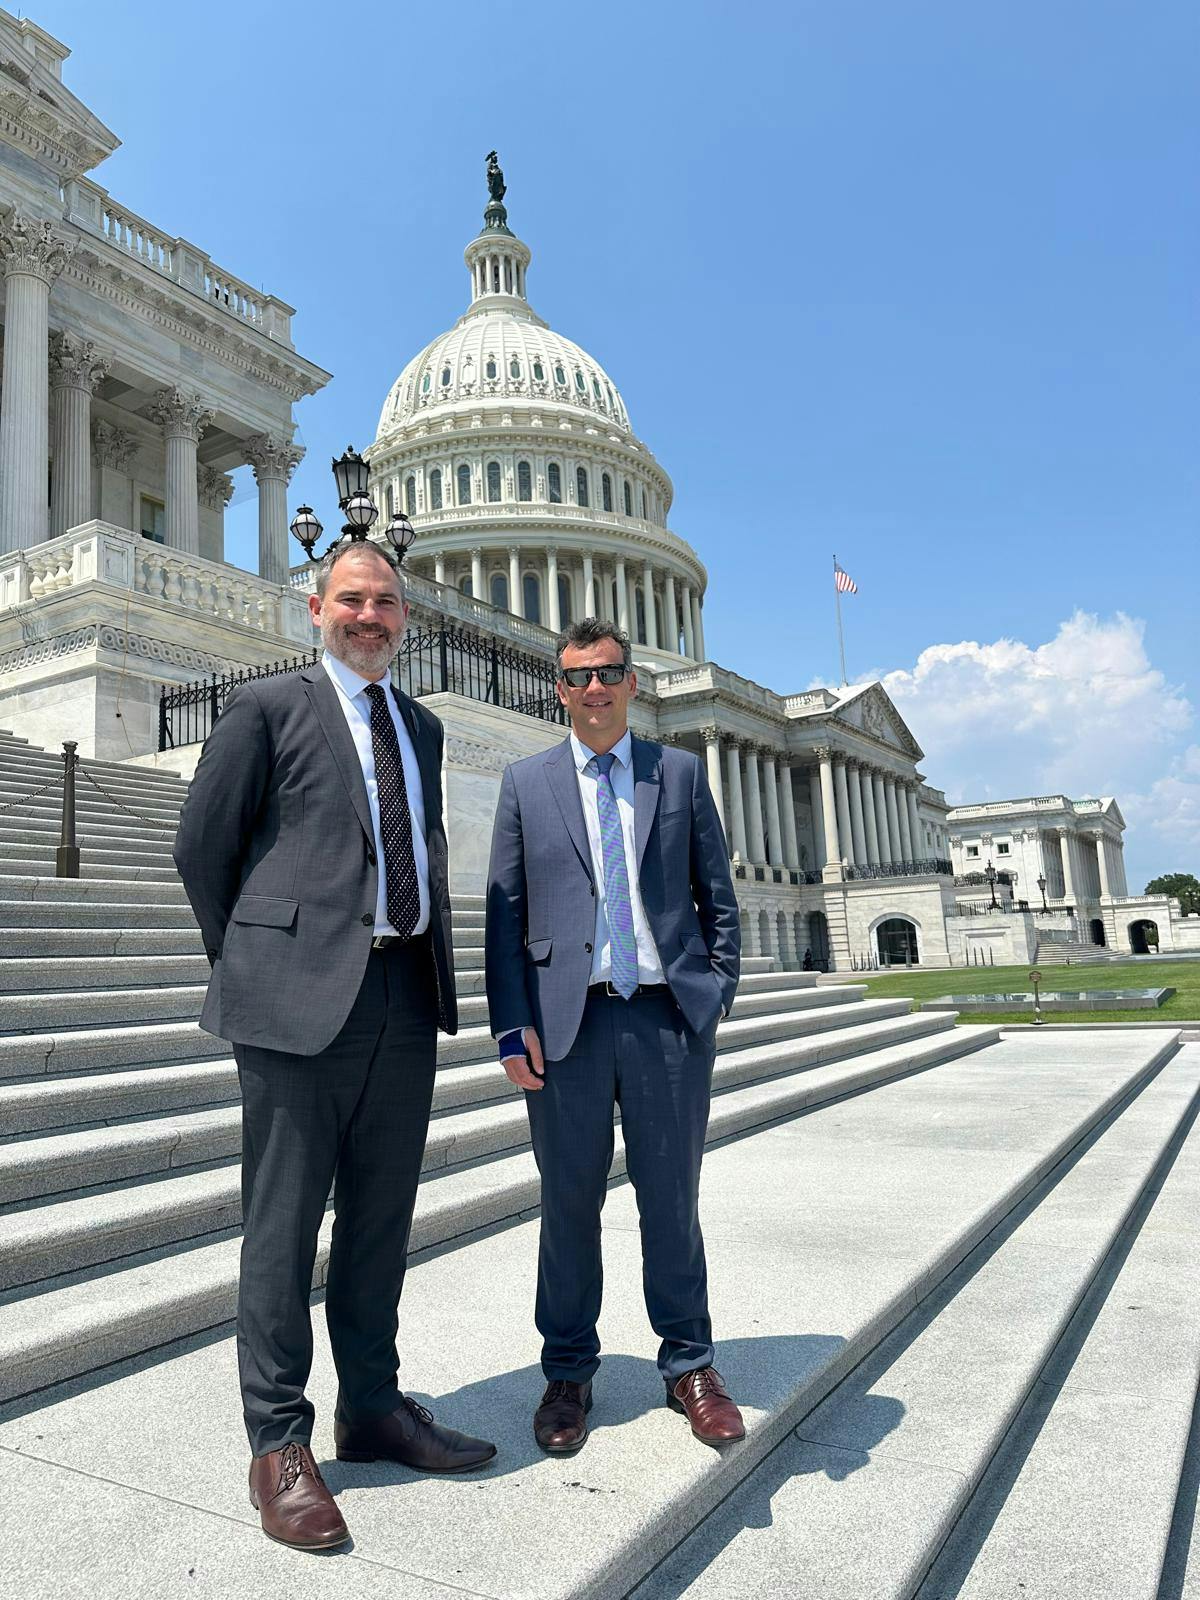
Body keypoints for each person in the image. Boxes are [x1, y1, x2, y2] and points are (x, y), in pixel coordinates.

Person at [174, 538, 495, 1553]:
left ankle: (373, 1406)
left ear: (405, 618)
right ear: (316, 607)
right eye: (352, 598)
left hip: (403, 992)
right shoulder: (267, 709)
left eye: (387, 603)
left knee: (379, 1220)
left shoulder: (425, 728)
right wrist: (259, 963)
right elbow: (202, 846)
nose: (370, 616)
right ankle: (279, 1444)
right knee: (282, 1227)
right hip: (293, 1005)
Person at [485, 617, 744, 1456]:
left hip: (666, 1018)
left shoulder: (679, 773)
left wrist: (716, 995)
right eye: (576, 677)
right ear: (557, 690)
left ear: (633, 683)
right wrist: (509, 1025)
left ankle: (691, 1365)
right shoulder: (526, 783)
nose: (593, 689)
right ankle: (567, 1373)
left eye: (607, 673)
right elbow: (506, 917)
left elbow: (717, 896)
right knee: (568, 1206)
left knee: (673, 1200)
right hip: (569, 1024)